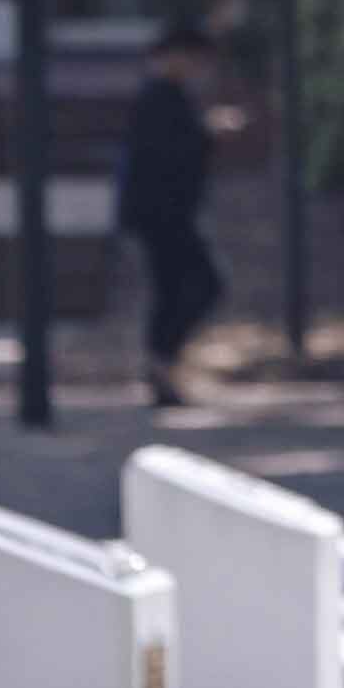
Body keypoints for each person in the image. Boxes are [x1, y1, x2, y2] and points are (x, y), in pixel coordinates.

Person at [113, 23, 233, 409]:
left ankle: (160, 365)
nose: (198, 69)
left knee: (173, 290)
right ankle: (160, 362)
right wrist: (208, 135)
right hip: (163, 213)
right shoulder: (158, 97)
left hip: (167, 211)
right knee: (198, 285)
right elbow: (168, 156)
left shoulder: (167, 95)